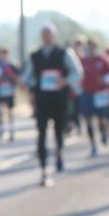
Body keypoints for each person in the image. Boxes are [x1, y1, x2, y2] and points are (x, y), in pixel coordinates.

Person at [22, 22, 83, 187]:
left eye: (48, 34)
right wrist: (27, 85)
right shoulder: (35, 55)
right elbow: (27, 77)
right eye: (44, 34)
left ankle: (60, 152)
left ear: (54, 36)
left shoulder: (64, 53)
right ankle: (44, 170)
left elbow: (77, 72)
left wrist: (65, 81)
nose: (46, 37)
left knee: (58, 132)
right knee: (41, 134)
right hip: (42, 101)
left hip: (59, 99)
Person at [78, 38, 109, 157]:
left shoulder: (104, 60)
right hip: (87, 93)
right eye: (88, 47)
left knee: (101, 118)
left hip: (100, 94)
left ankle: (104, 132)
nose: (90, 49)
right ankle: (93, 145)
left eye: (92, 47)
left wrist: (104, 80)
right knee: (88, 120)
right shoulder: (82, 61)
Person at [0, 45, 20, 142]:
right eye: (2, 54)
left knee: (10, 111)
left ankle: (11, 131)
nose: (4, 56)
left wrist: (12, 80)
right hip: (0, 91)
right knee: (0, 111)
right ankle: (1, 129)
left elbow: (17, 77)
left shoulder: (12, 65)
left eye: (6, 54)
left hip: (10, 91)